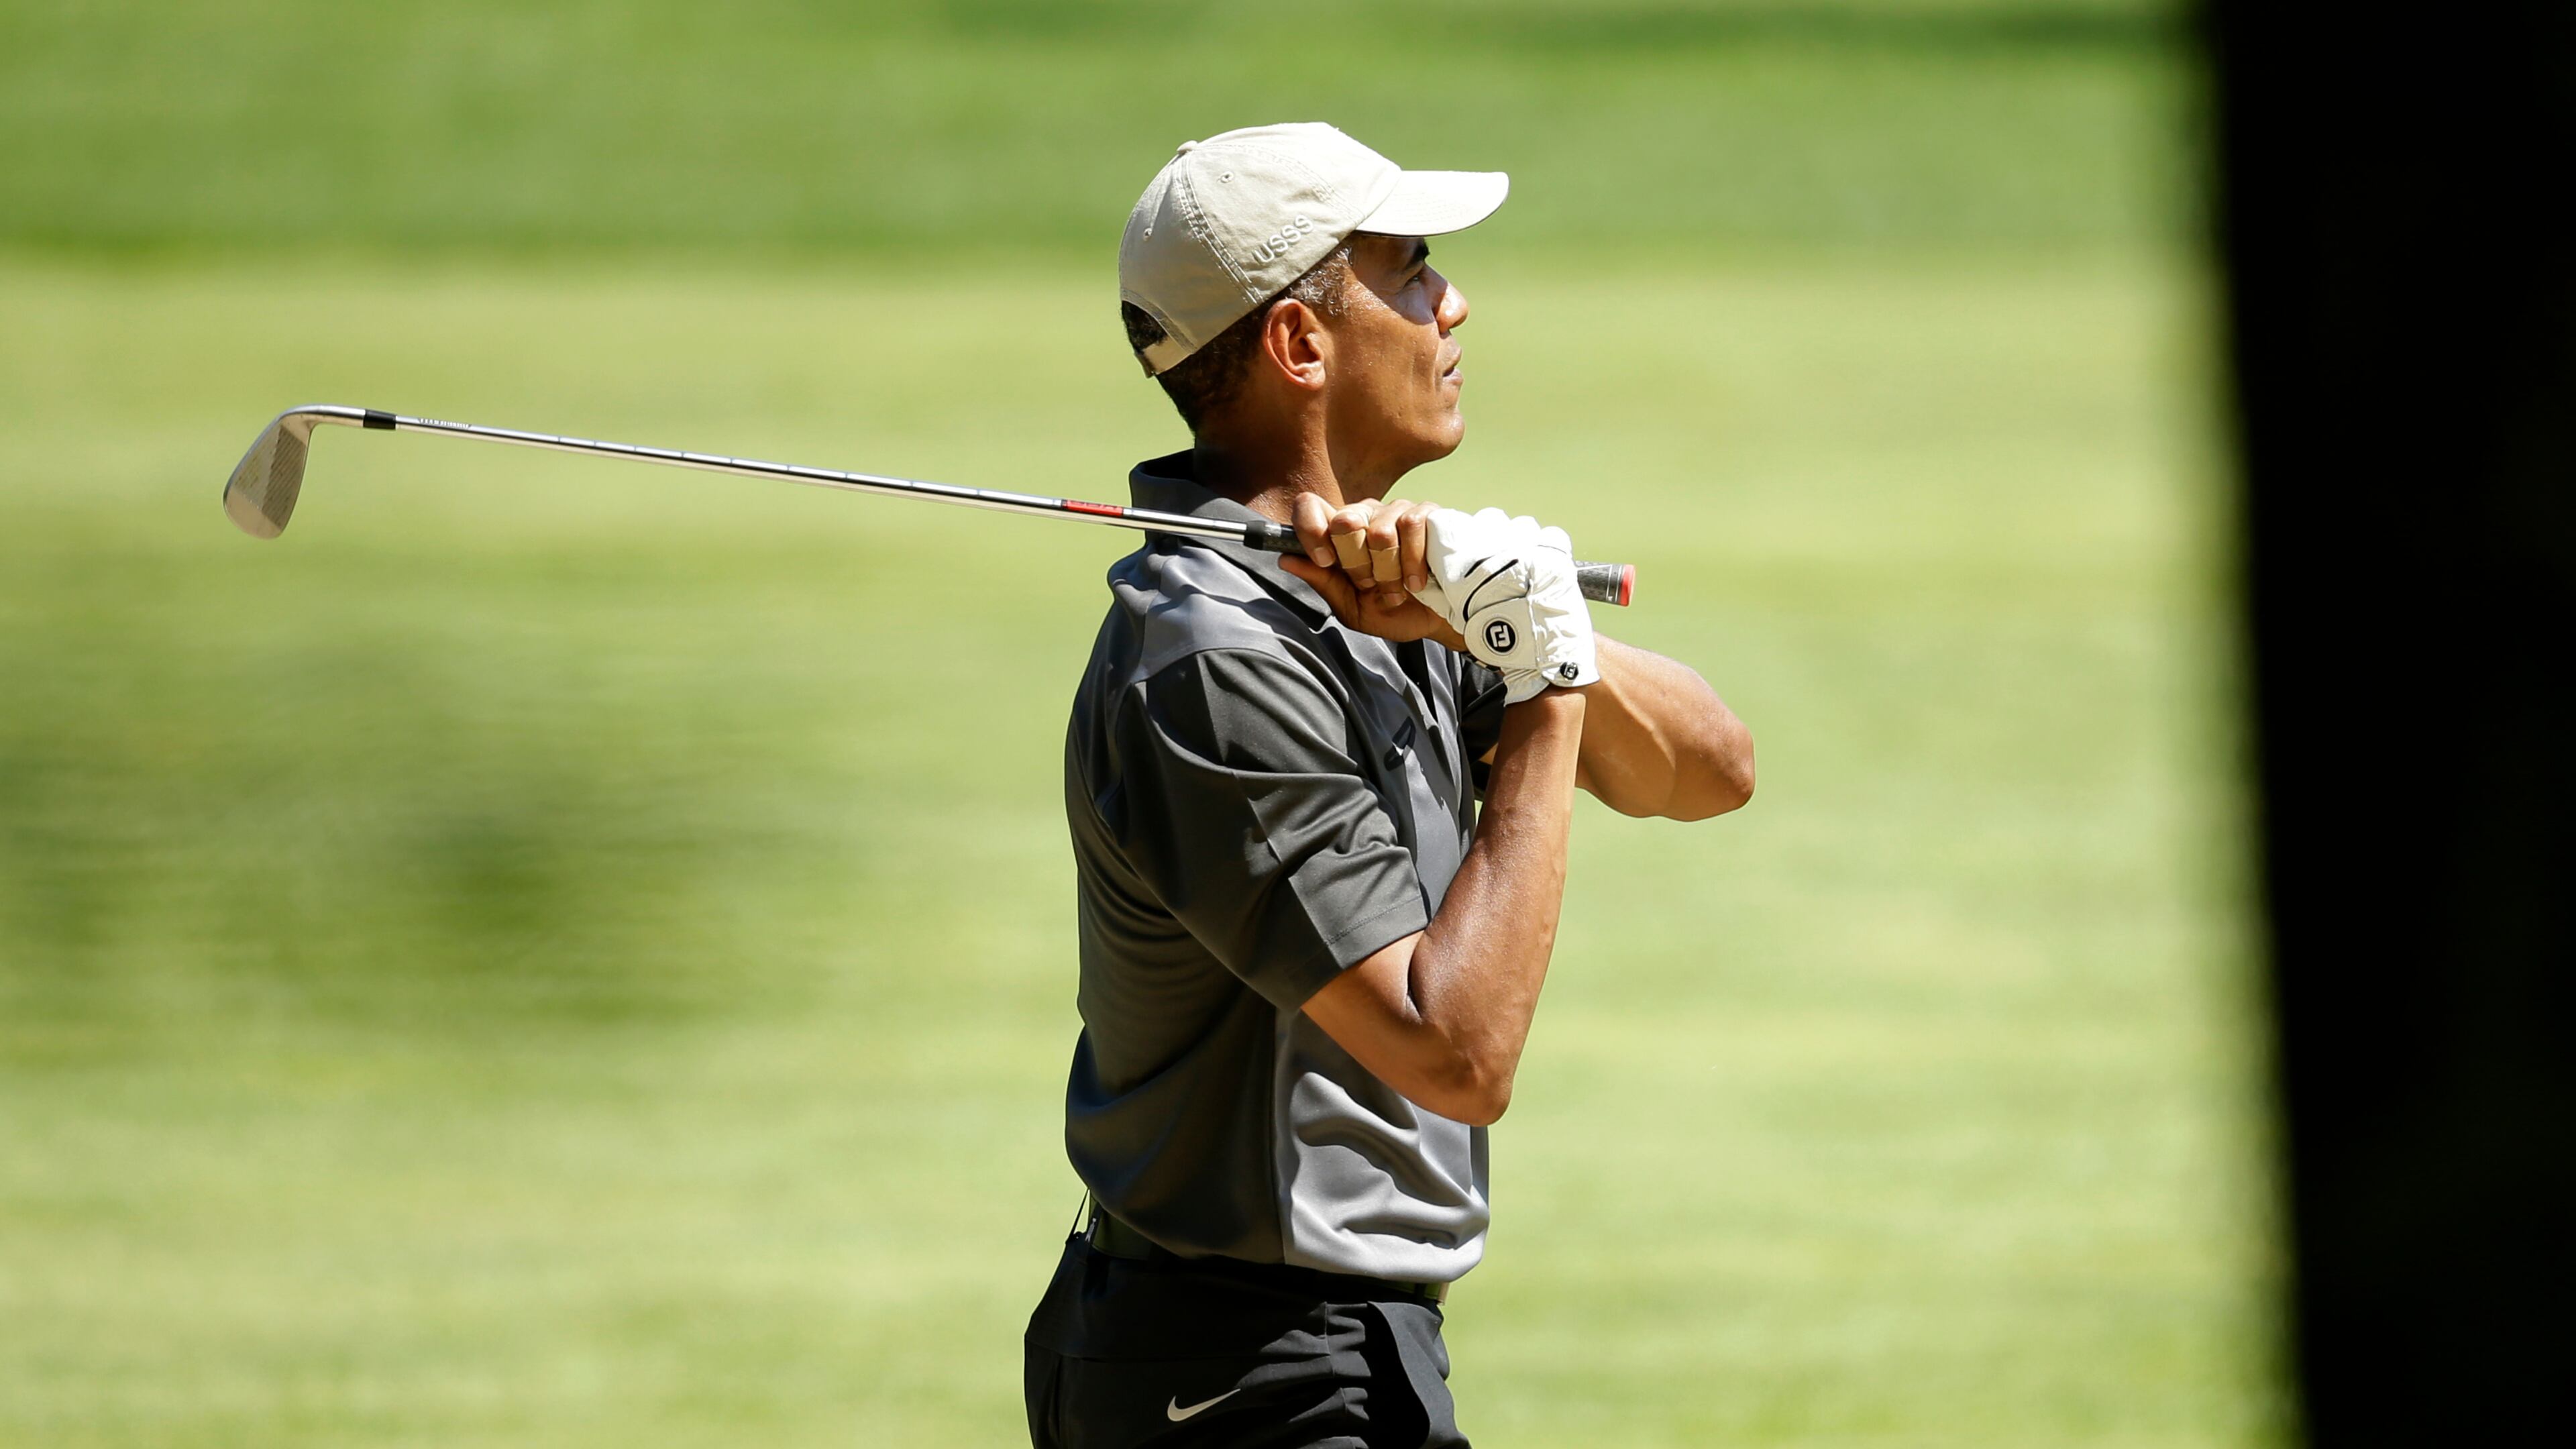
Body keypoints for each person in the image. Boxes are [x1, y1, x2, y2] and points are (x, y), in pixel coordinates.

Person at [1024, 122, 1755, 1448]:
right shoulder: (1217, 660)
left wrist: (1531, 630)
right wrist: (1540, 679)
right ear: (1300, 344)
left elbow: (1713, 771)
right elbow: (1455, 1052)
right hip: (1238, 1375)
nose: (1451, 302)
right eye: (1411, 268)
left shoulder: (1380, 592)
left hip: (1316, 1351)